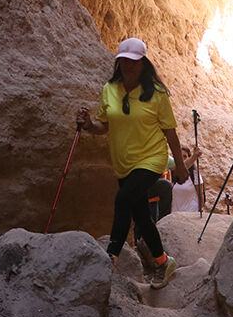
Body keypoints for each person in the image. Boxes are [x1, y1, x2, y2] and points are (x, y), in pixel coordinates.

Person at [77, 37, 184, 288]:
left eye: (133, 62)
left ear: (144, 63)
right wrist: (89, 125)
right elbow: (104, 125)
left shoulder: (157, 95)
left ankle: (111, 257)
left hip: (151, 158)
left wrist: (180, 165)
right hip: (123, 162)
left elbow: (170, 133)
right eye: (123, 61)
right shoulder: (109, 89)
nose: (128, 66)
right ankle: (163, 261)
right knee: (142, 216)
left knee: (123, 199)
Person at [169, 145, 205, 215]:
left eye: (185, 156)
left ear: (189, 158)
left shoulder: (194, 174)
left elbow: (200, 195)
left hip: (191, 213)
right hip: (176, 214)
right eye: (180, 156)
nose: (182, 159)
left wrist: (200, 211)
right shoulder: (172, 173)